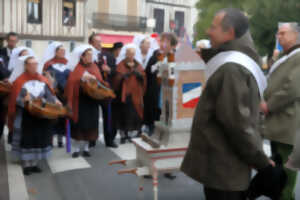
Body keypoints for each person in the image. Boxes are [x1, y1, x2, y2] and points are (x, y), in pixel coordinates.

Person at [181, 8, 274, 200]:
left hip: (225, 168)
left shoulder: (232, 68)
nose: (208, 31)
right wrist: (260, 159)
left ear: (229, 33)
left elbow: (237, 124)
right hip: (224, 167)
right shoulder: (232, 64)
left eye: (214, 27)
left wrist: (261, 161)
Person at [261, 22, 300, 200]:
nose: (279, 36)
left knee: (284, 180)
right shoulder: (289, 56)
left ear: (296, 35)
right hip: (281, 124)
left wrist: (269, 105)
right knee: (278, 177)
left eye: (283, 33)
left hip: (289, 125)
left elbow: (293, 88)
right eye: (278, 33)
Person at [8, 55, 60, 176]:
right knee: (28, 140)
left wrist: (55, 100)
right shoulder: (19, 81)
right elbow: (15, 99)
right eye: (31, 64)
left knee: (39, 139)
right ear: (26, 66)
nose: (34, 66)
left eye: (36, 64)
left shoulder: (42, 79)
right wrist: (24, 101)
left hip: (41, 115)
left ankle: (35, 163)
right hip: (27, 117)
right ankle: (26, 165)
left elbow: (49, 95)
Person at [65, 45, 109, 158]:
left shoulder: (94, 67)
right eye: (88, 55)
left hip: (92, 101)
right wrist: (82, 80)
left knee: (90, 124)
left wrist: (96, 81)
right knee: (79, 125)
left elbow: (100, 81)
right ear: (82, 57)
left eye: (91, 55)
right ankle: (75, 148)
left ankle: (86, 147)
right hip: (79, 101)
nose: (91, 57)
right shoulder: (77, 68)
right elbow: (71, 83)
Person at [143, 32, 178, 135]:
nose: (163, 44)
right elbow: (148, 73)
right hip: (154, 95)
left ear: (173, 45)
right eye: (161, 41)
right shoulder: (155, 56)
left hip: (170, 96)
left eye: (166, 41)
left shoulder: (177, 57)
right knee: (153, 126)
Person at [88, 33, 118, 148]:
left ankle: (109, 140)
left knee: (108, 115)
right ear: (91, 43)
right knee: (92, 116)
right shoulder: (87, 56)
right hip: (92, 90)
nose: (100, 44)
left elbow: (115, 71)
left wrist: (109, 69)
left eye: (100, 42)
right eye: (97, 42)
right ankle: (91, 140)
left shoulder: (108, 56)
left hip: (105, 90)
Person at [113, 44, 146, 144]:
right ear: (126, 54)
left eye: (132, 54)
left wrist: (139, 75)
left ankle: (132, 133)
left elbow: (144, 77)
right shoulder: (121, 64)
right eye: (129, 54)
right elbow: (116, 79)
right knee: (123, 115)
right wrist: (124, 76)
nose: (131, 56)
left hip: (135, 94)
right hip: (124, 94)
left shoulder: (138, 64)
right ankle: (123, 135)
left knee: (134, 115)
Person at [42, 42, 70, 148]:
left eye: (64, 51)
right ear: (55, 52)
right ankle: (50, 140)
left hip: (65, 95)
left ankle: (60, 139)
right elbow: (47, 80)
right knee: (53, 117)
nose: (63, 53)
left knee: (63, 117)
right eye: (61, 51)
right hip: (54, 94)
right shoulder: (49, 64)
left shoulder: (68, 63)